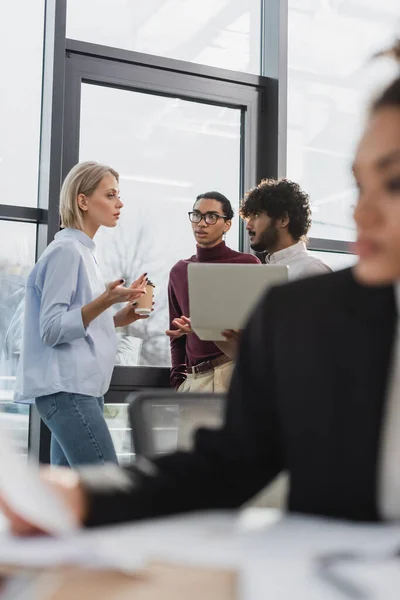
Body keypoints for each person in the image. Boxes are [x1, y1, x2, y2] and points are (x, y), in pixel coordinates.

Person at [2, 42, 400, 532]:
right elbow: (229, 464)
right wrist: (85, 493)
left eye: (394, 183)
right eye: (360, 187)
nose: (361, 214)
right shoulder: (297, 311)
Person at [14, 161, 150, 467]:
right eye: (111, 194)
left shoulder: (84, 253)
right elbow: (50, 329)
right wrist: (105, 301)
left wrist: (116, 318)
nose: (120, 203)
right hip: (68, 390)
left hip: (78, 390)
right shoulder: (66, 252)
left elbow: (74, 323)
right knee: (107, 486)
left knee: (71, 498)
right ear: (83, 200)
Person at [218, 178, 332, 357]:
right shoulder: (263, 275)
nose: (248, 225)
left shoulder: (312, 271)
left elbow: (321, 348)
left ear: (283, 219)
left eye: (256, 215)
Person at [165, 192, 259, 393]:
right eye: (197, 215)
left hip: (233, 371)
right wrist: (178, 382)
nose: (201, 223)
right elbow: (176, 337)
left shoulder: (248, 264)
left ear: (227, 224)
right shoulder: (179, 271)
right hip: (195, 381)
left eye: (211, 216)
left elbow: (256, 330)